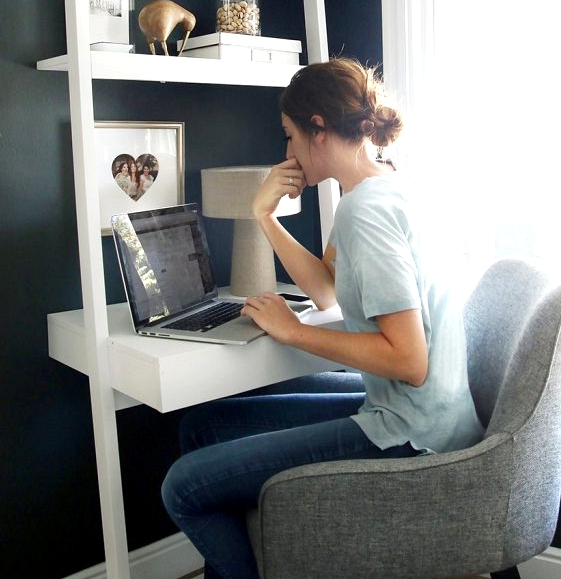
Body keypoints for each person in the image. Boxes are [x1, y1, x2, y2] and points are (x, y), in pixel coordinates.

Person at [161, 57, 484, 579]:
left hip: (412, 431)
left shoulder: (366, 211)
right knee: (203, 427)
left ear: (317, 128)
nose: (286, 153)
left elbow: (409, 360)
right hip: (420, 410)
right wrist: (263, 215)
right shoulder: (381, 187)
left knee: (183, 488)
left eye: (289, 136)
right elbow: (327, 290)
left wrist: (293, 331)